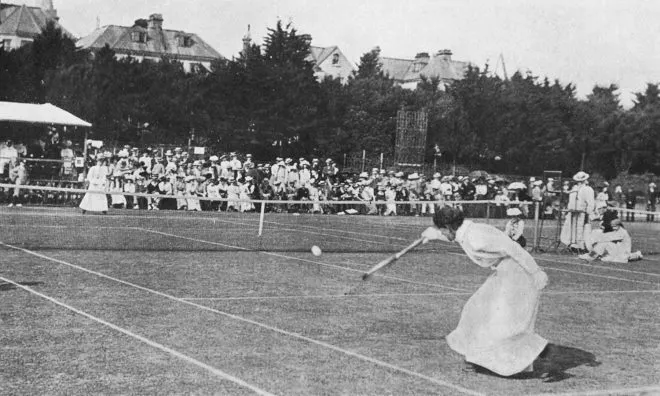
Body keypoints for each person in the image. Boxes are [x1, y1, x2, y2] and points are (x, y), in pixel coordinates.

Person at [421, 206, 549, 377]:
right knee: (475, 312)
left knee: (498, 321)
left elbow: (513, 248)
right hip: (506, 271)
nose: (443, 234)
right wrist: (435, 235)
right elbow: (457, 237)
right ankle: (477, 359)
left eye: (442, 230)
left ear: (449, 227)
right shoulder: (467, 231)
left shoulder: (476, 238)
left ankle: (538, 349)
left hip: (519, 273)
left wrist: (535, 271)